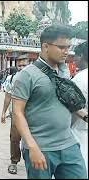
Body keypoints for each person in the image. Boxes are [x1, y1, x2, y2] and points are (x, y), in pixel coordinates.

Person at [12, 25, 87, 179]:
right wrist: (31, 146)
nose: (67, 51)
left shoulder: (63, 72)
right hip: (41, 147)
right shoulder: (26, 75)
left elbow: (68, 102)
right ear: (45, 46)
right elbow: (17, 113)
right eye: (61, 47)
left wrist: (85, 117)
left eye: (68, 47)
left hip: (68, 144)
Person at [0, 54, 30, 175]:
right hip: (16, 114)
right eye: (20, 65)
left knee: (32, 138)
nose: (22, 67)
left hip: (32, 114)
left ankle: (31, 160)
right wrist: (3, 112)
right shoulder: (12, 78)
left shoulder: (34, 77)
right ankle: (14, 162)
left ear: (29, 65)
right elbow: (8, 95)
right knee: (15, 138)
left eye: (25, 65)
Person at [71, 41, 88, 176]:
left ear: (81, 56)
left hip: (79, 132)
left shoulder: (80, 79)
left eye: (75, 56)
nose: (74, 59)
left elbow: (73, 109)